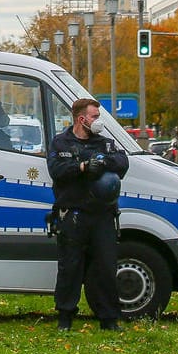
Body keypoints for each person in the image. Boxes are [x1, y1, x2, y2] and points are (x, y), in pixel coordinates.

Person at [47, 96, 130, 331]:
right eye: (95, 117)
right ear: (81, 119)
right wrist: (82, 167)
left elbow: (122, 162)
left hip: (101, 216)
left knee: (105, 267)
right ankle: (65, 317)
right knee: (69, 268)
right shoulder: (61, 143)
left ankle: (108, 319)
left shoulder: (103, 143)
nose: (98, 121)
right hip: (72, 215)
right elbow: (56, 170)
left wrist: (102, 161)